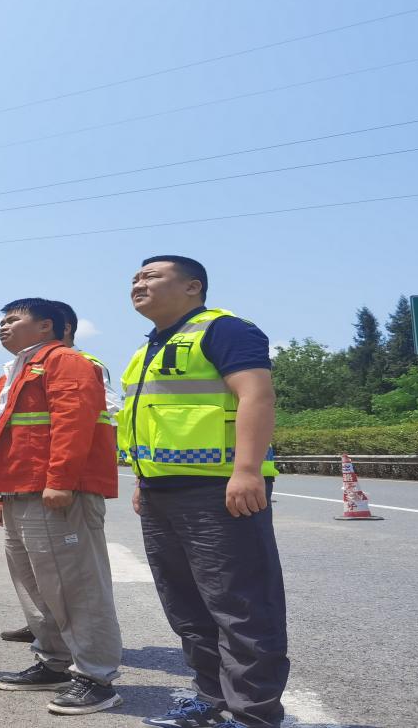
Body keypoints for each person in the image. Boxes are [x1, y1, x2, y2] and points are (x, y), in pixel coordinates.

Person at [121, 256, 288, 728]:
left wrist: (247, 471)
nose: (138, 284)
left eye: (151, 276)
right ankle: (210, 700)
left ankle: (253, 715)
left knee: (241, 605)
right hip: (161, 491)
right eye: (135, 278)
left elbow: (256, 395)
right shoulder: (149, 347)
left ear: (193, 286)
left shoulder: (224, 330)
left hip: (218, 489)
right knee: (187, 606)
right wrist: (143, 480)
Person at [0, 298, 123, 716]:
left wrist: (61, 480)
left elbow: (74, 421)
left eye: (13, 319)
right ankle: (54, 662)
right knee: (34, 584)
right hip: (20, 491)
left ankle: (96, 678)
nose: (3, 327)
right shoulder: (16, 369)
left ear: (46, 326)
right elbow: (7, 436)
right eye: (1, 321)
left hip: (53, 491)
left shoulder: (65, 361)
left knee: (76, 586)